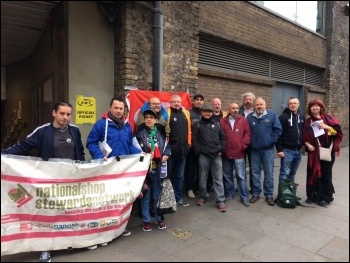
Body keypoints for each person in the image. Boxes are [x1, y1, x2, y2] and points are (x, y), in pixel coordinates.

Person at [1, 102, 85, 263]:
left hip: (70, 180)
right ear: (54, 113)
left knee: (68, 212)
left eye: (68, 114)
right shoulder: (43, 131)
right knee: (47, 215)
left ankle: (66, 242)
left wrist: (82, 167)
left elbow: (79, 150)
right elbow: (23, 146)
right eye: (62, 114)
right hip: (48, 181)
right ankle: (45, 248)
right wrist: (4, 155)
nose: (65, 118)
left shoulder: (75, 131)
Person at [86, 97, 141, 242]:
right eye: (115, 108)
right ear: (110, 108)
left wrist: (141, 154)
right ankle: (101, 230)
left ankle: (119, 226)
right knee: (105, 200)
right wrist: (99, 156)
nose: (118, 111)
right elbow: (90, 142)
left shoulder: (127, 126)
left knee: (120, 199)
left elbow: (129, 145)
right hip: (106, 168)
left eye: (121, 108)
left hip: (122, 169)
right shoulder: (101, 124)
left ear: (124, 110)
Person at [135, 109, 171, 231]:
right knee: (145, 196)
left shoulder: (160, 134)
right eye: (147, 117)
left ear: (156, 120)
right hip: (145, 170)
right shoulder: (139, 135)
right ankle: (146, 220)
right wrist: (144, 154)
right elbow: (135, 150)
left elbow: (167, 147)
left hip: (159, 168)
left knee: (157, 195)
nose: (149, 119)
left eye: (151, 117)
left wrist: (166, 154)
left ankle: (159, 218)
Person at [303, 99, 343, 207]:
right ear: (309, 108)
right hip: (314, 153)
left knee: (326, 174)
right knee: (312, 173)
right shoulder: (308, 122)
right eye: (312, 106)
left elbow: (337, 133)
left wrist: (327, 127)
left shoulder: (328, 119)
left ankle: (326, 197)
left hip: (327, 152)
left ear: (321, 107)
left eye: (317, 106)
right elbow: (304, 137)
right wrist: (308, 144)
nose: (314, 108)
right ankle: (311, 195)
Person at [246, 97, 282, 206]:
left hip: (268, 150)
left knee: (269, 173)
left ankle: (269, 194)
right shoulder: (249, 117)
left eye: (261, 104)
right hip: (255, 150)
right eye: (257, 104)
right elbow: (247, 132)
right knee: (255, 173)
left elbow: (278, 129)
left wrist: (271, 140)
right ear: (254, 106)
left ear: (265, 105)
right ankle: (256, 193)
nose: (259, 106)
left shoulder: (271, 115)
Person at [192, 104, 227, 212]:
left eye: (209, 112)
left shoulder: (217, 124)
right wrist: (199, 151)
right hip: (204, 156)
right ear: (202, 112)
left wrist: (221, 149)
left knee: (218, 178)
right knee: (202, 177)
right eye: (205, 111)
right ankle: (203, 196)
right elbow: (195, 139)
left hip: (216, 155)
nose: (207, 113)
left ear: (212, 113)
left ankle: (220, 201)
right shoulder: (197, 125)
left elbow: (223, 137)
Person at [220, 102, 251, 206]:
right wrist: (222, 148)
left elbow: (247, 134)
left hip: (239, 153)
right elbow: (220, 135)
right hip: (226, 153)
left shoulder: (244, 120)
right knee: (227, 176)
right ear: (229, 110)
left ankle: (244, 197)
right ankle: (230, 193)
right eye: (233, 108)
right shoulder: (222, 121)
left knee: (241, 176)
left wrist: (243, 146)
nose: (235, 110)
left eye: (237, 108)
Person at [275, 97, 305, 200]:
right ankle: (282, 195)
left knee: (292, 173)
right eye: (291, 103)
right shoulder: (283, 117)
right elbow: (278, 134)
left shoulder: (302, 117)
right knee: (284, 173)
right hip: (287, 150)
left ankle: (291, 194)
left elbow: (303, 132)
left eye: (295, 103)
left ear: (299, 104)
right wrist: (279, 149)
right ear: (288, 105)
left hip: (298, 151)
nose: (293, 105)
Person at [167, 94, 191, 207]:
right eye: (174, 101)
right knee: (166, 177)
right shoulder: (167, 113)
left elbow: (189, 131)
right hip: (170, 153)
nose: (176, 103)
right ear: (170, 102)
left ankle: (178, 198)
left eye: (178, 101)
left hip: (183, 152)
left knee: (179, 177)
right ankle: (166, 199)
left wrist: (188, 145)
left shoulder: (186, 113)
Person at [185, 93, 204, 199]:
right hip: (192, 146)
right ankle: (189, 188)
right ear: (193, 101)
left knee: (200, 168)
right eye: (197, 99)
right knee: (191, 168)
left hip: (202, 146)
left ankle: (198, 187)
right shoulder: (189, 113)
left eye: (201, 100)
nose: (199, 101)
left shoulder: (204, 113)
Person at [239, 92, 256, 194]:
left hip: (253, 144)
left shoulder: (257, 111)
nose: (248, 101)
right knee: (241, 166)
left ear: (253, 101)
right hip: (241, 143)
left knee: (253, 167)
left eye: (250, 99)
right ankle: (242, 187)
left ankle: (253, 188)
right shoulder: (239, 111)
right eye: (246, 99)